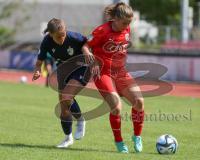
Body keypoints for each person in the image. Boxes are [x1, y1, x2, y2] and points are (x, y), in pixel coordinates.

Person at [82, 2, 144, 153]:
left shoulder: (127, 27)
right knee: (116, 107)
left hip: (121, 72)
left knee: (139, 102)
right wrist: (88, 53)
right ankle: (119, 141)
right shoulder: (102, 31)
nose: (127, 25)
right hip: (103, 73)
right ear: (115, 18)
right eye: (124, 22)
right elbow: (85, 45)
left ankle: (137, 136)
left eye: (129, 22)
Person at [32, 18, 92, 148]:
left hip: (81, 67)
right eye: (58, 37)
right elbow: (39, 60)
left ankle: (81, 121)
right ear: (51, 34)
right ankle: (68, 138)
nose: (62, 39)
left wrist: (86, 50)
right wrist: (37, 71)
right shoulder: (47, 41)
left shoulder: (74, 37)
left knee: (66, 96)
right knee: (64, 106)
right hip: (63, 70)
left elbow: (87, 42)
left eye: (63, 35)